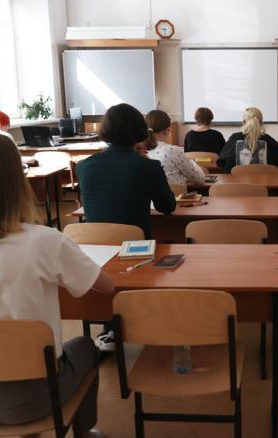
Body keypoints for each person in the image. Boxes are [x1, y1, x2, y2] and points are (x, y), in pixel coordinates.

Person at [0, 133, 115, 436]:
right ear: (16, 183)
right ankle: (85, 433)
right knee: (85, 345)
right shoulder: (44, 241)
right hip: (33, 398)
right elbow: (106, 287)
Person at [76, 103, 176, 352]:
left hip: (96, 252)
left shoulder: (84, 166)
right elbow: (167, 207)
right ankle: (142, 318)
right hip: (137, 252)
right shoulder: (147, 166)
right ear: (139, 131)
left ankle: (110, 328)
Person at [145, 110, 205, 193]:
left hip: (149, 200)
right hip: (175, 200)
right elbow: (199, 179)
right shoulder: (172, 151)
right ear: (167, 131)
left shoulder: (139, 151)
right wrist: (192, 162)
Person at [217, 107, 278, 173]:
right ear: (261, 123)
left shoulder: (235, 138)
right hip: (266, 183)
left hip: (238, 183)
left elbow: (221, 162)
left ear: (243, 122)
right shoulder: (268, 139)